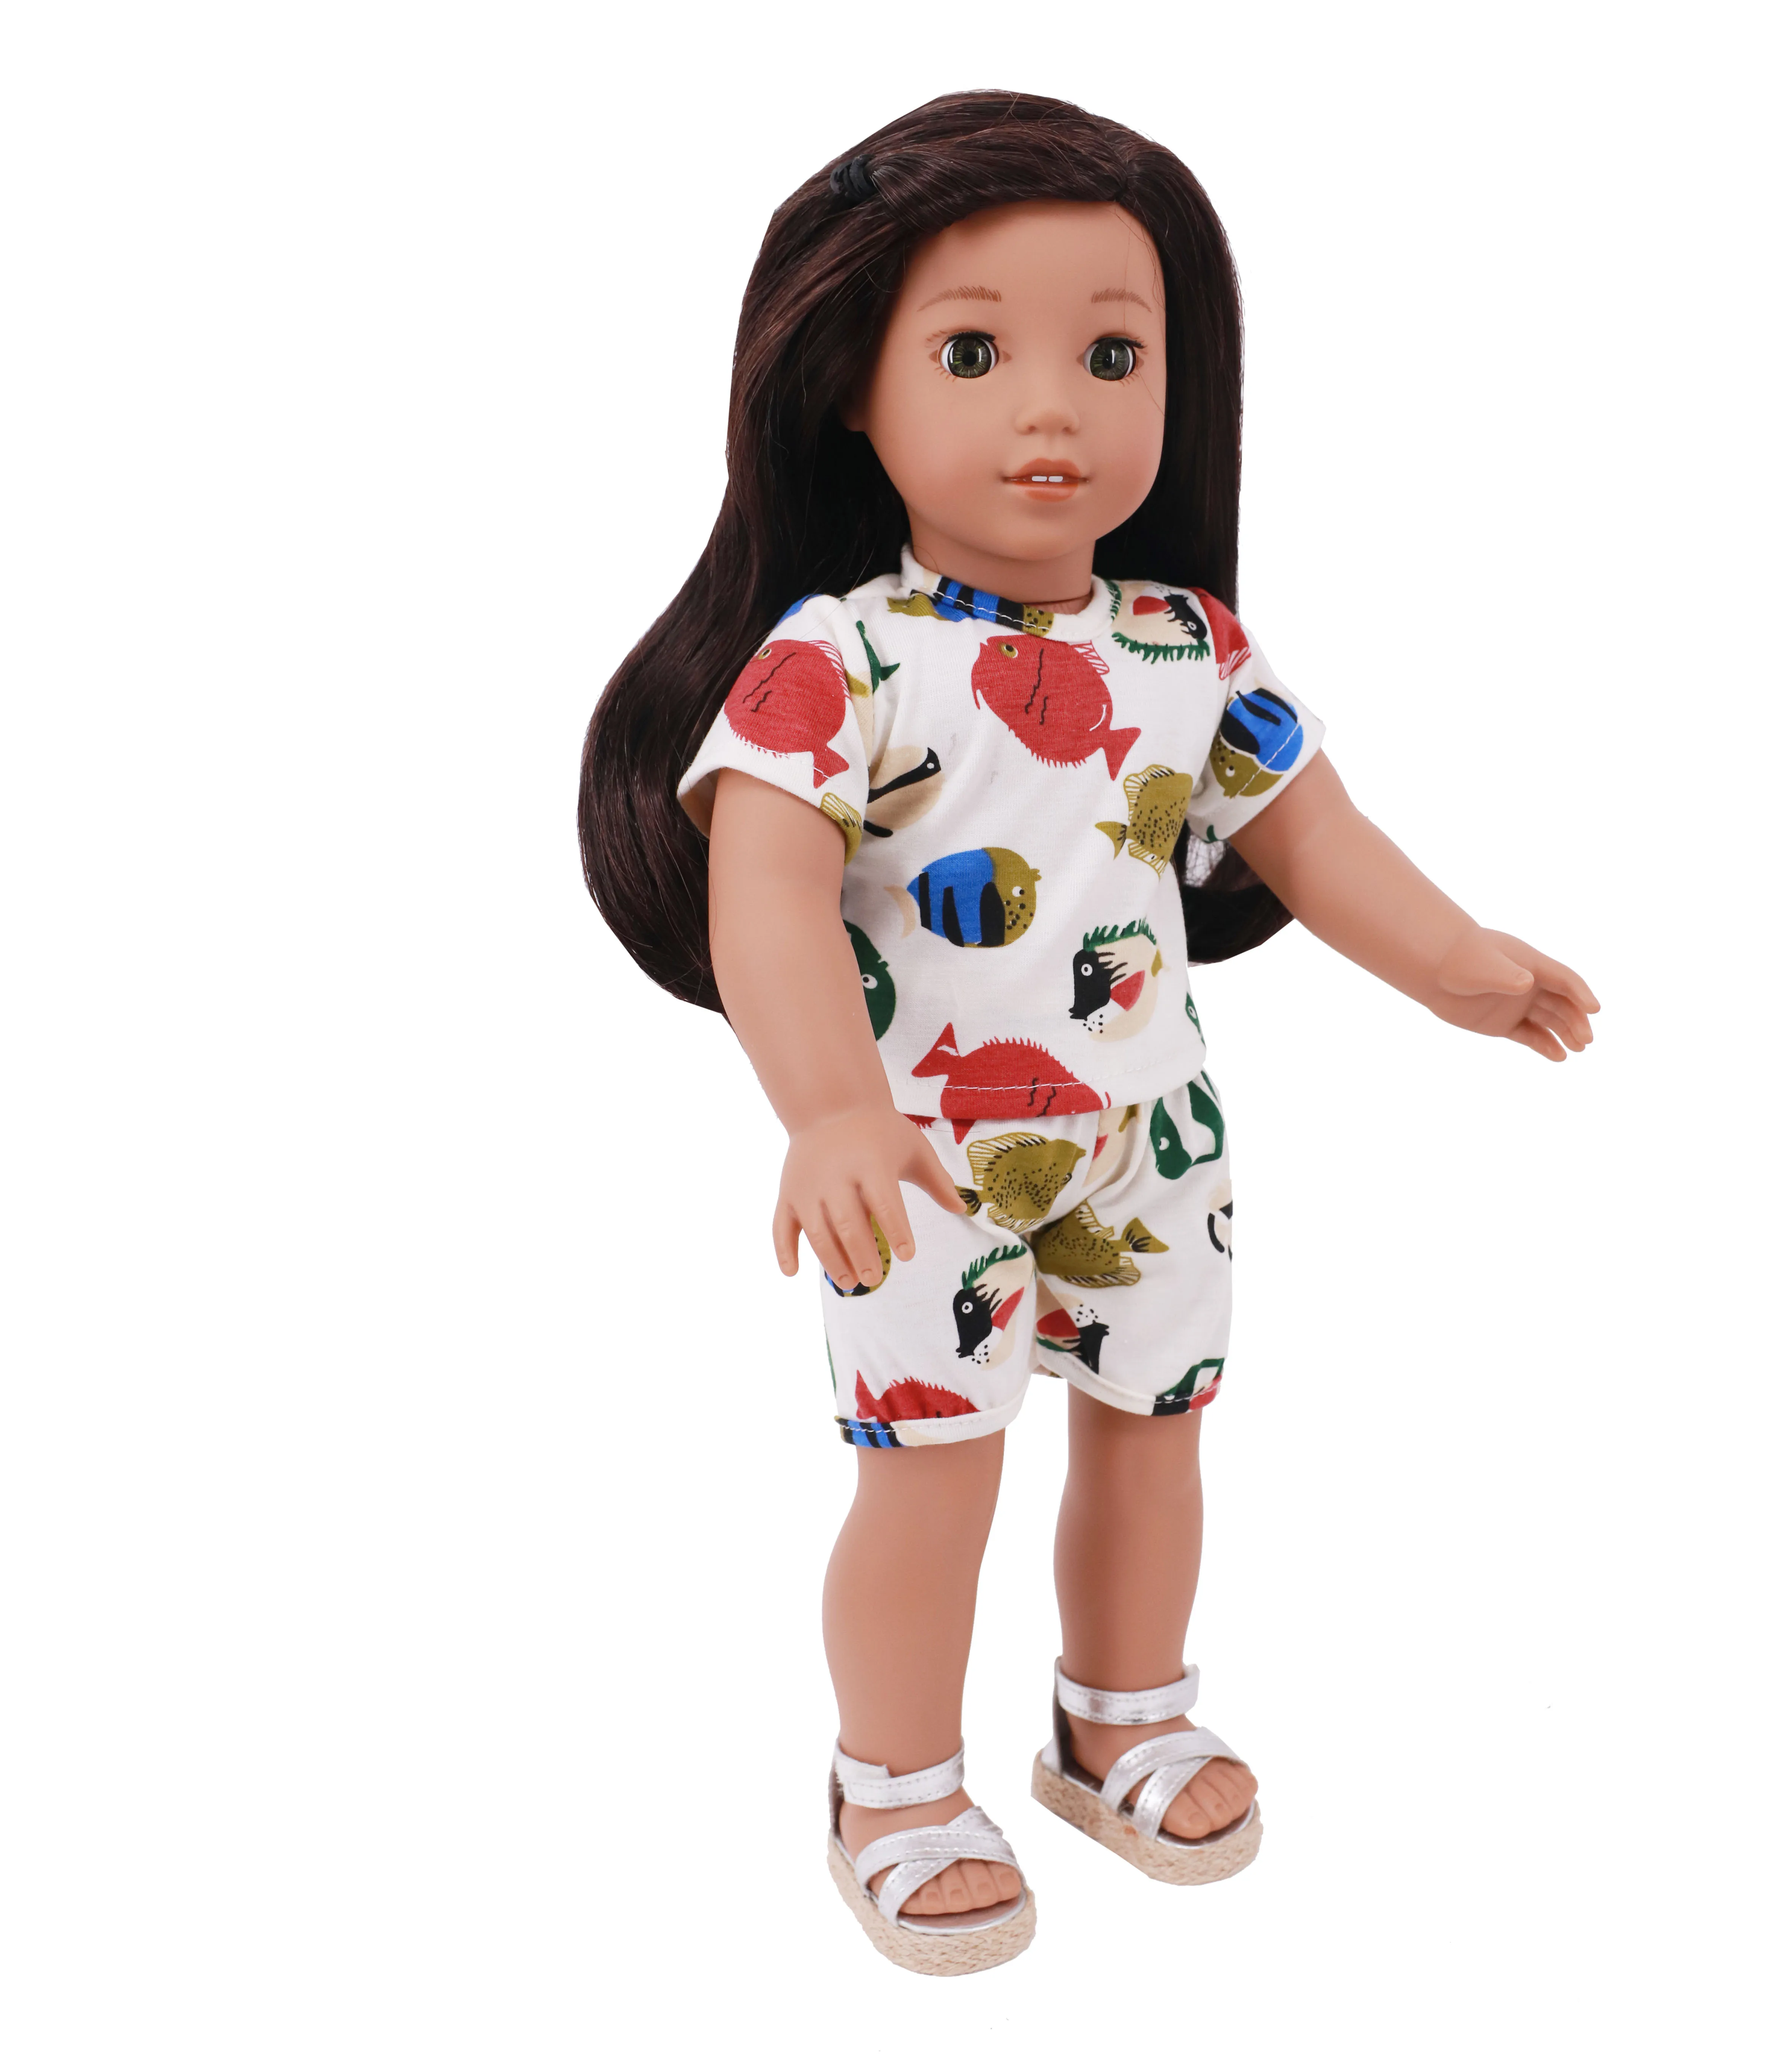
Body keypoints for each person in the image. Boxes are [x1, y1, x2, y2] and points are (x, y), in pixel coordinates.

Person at [578, 93, 1599, 1975]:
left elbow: (1314, 834)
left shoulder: (1187, 648)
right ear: (850, 387)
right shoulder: (838, 658)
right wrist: (825, 1109)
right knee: (930, 1470)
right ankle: (893, 1783)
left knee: (1155, 1434)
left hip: (1152, 1138)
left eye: (1112, 355)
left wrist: (1451, 956)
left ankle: (1119, 1715)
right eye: (973, 352)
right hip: (917, 1158)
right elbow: (767, 895)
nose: (1050, 409)